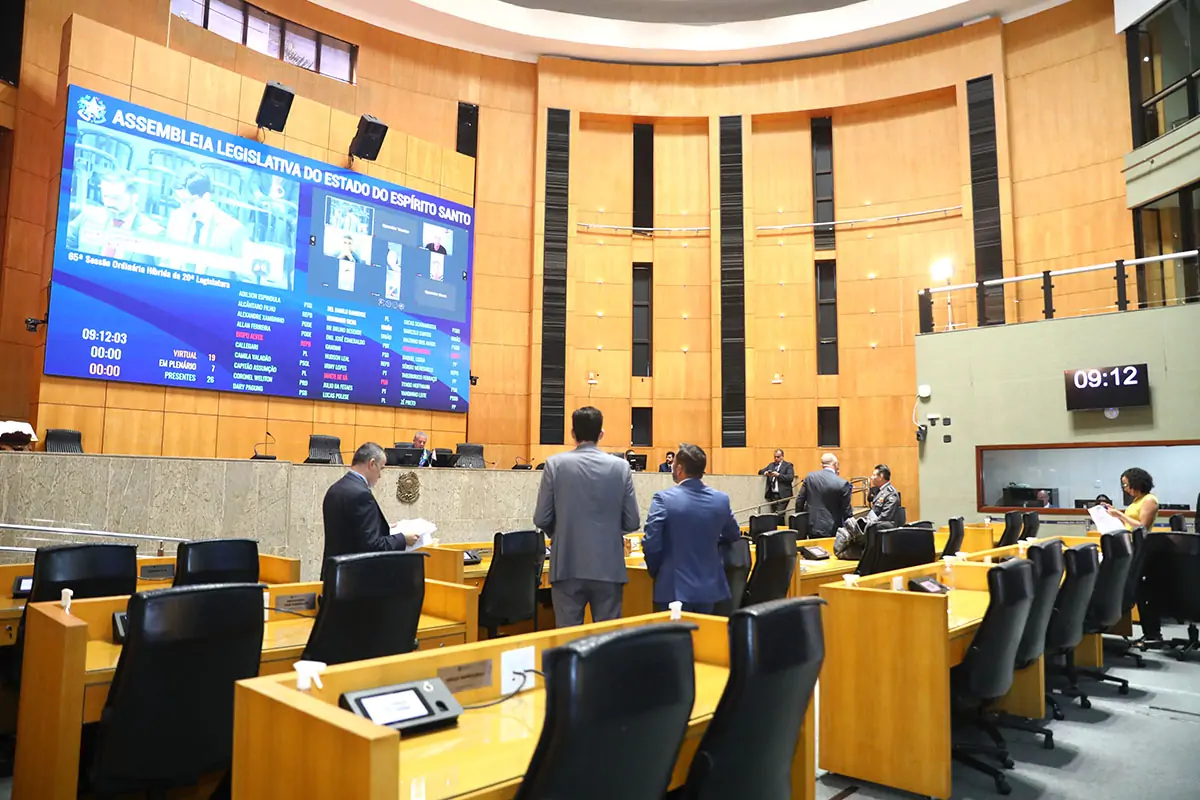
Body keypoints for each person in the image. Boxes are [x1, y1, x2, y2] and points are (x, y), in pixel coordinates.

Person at [533, 406, 640, 627]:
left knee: (568, 640)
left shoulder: (554, 465)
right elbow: (632, 522)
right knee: (607, 642)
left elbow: (541, 518)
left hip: (566, 564)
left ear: (572, 434)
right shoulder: (621, 467)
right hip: (609, 566)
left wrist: (563, 532)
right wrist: (607, 532)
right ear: (601, 434)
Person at [642, 443, 742, 613]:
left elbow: (651, 543)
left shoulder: (663, 499)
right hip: (710, 589)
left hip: (673, 588)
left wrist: (659, 572)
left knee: (673, 639)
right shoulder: (720, 500)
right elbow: (733, 534)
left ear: (679, 468)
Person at [320, 443, 419, 580]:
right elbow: (372, 546)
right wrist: (403, 539)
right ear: (372, 464)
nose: (380, 476)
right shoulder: (361, 494)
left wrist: (381, 527)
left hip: (334, 576)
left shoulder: (335, 489)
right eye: (381, 469)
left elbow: (350, 531)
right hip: (354, 581)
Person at [166, 170, 248, 277]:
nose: (183, 207)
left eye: (187, 201)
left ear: (206, 197)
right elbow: (165, 262)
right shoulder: (177, 217)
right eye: (180, 201)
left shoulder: (233, 230)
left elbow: (245, 280)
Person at [66, 171, 163, 259]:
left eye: (116, 198)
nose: (109, 203)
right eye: (106, 196)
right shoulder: (88, 216)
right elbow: (63, 244)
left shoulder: (152, 233)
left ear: (134, 197)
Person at [797, 453, 853, 538]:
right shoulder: (842, 483)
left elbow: (799, 501)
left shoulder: (810, 477)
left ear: (821, 464)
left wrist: (801, 521)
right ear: (835, 464)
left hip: (811, 526)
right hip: (831, 528)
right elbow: (846, 511)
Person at [758, 449, 795, 513]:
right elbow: (760, 471)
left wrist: (778, 475)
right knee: (775, 514)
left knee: (779, 513)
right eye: (774, 457)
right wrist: (766, 473)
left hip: (783, 495)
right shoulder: (771, 465)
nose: (776, 458)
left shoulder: (788, 465)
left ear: (782, 456)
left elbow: (790, 478)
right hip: (773, 495)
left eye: (778, 457)